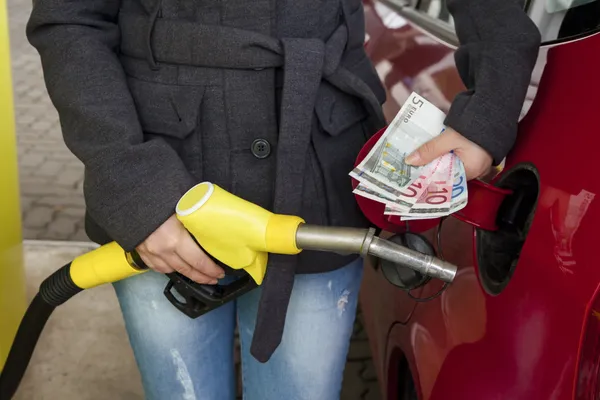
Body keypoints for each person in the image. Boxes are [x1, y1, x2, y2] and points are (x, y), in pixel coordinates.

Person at [26, 0, 541, 398]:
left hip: (318, 171)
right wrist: (132, 181)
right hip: (163, 181)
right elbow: (70, 19)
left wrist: (490, 108)